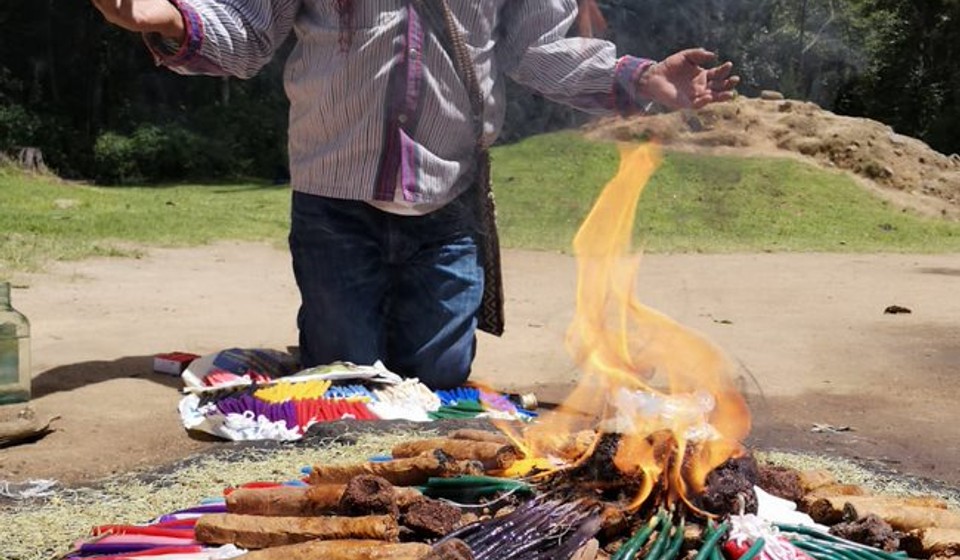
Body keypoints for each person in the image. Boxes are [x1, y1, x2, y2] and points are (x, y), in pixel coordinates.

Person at [91, 0, 738, 389]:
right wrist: (165, 17)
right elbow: (249, 29)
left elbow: (541, 48)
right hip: (333, 197)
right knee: (343, 390)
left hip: (448, 199)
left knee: (436, 388)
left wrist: (641, 77)